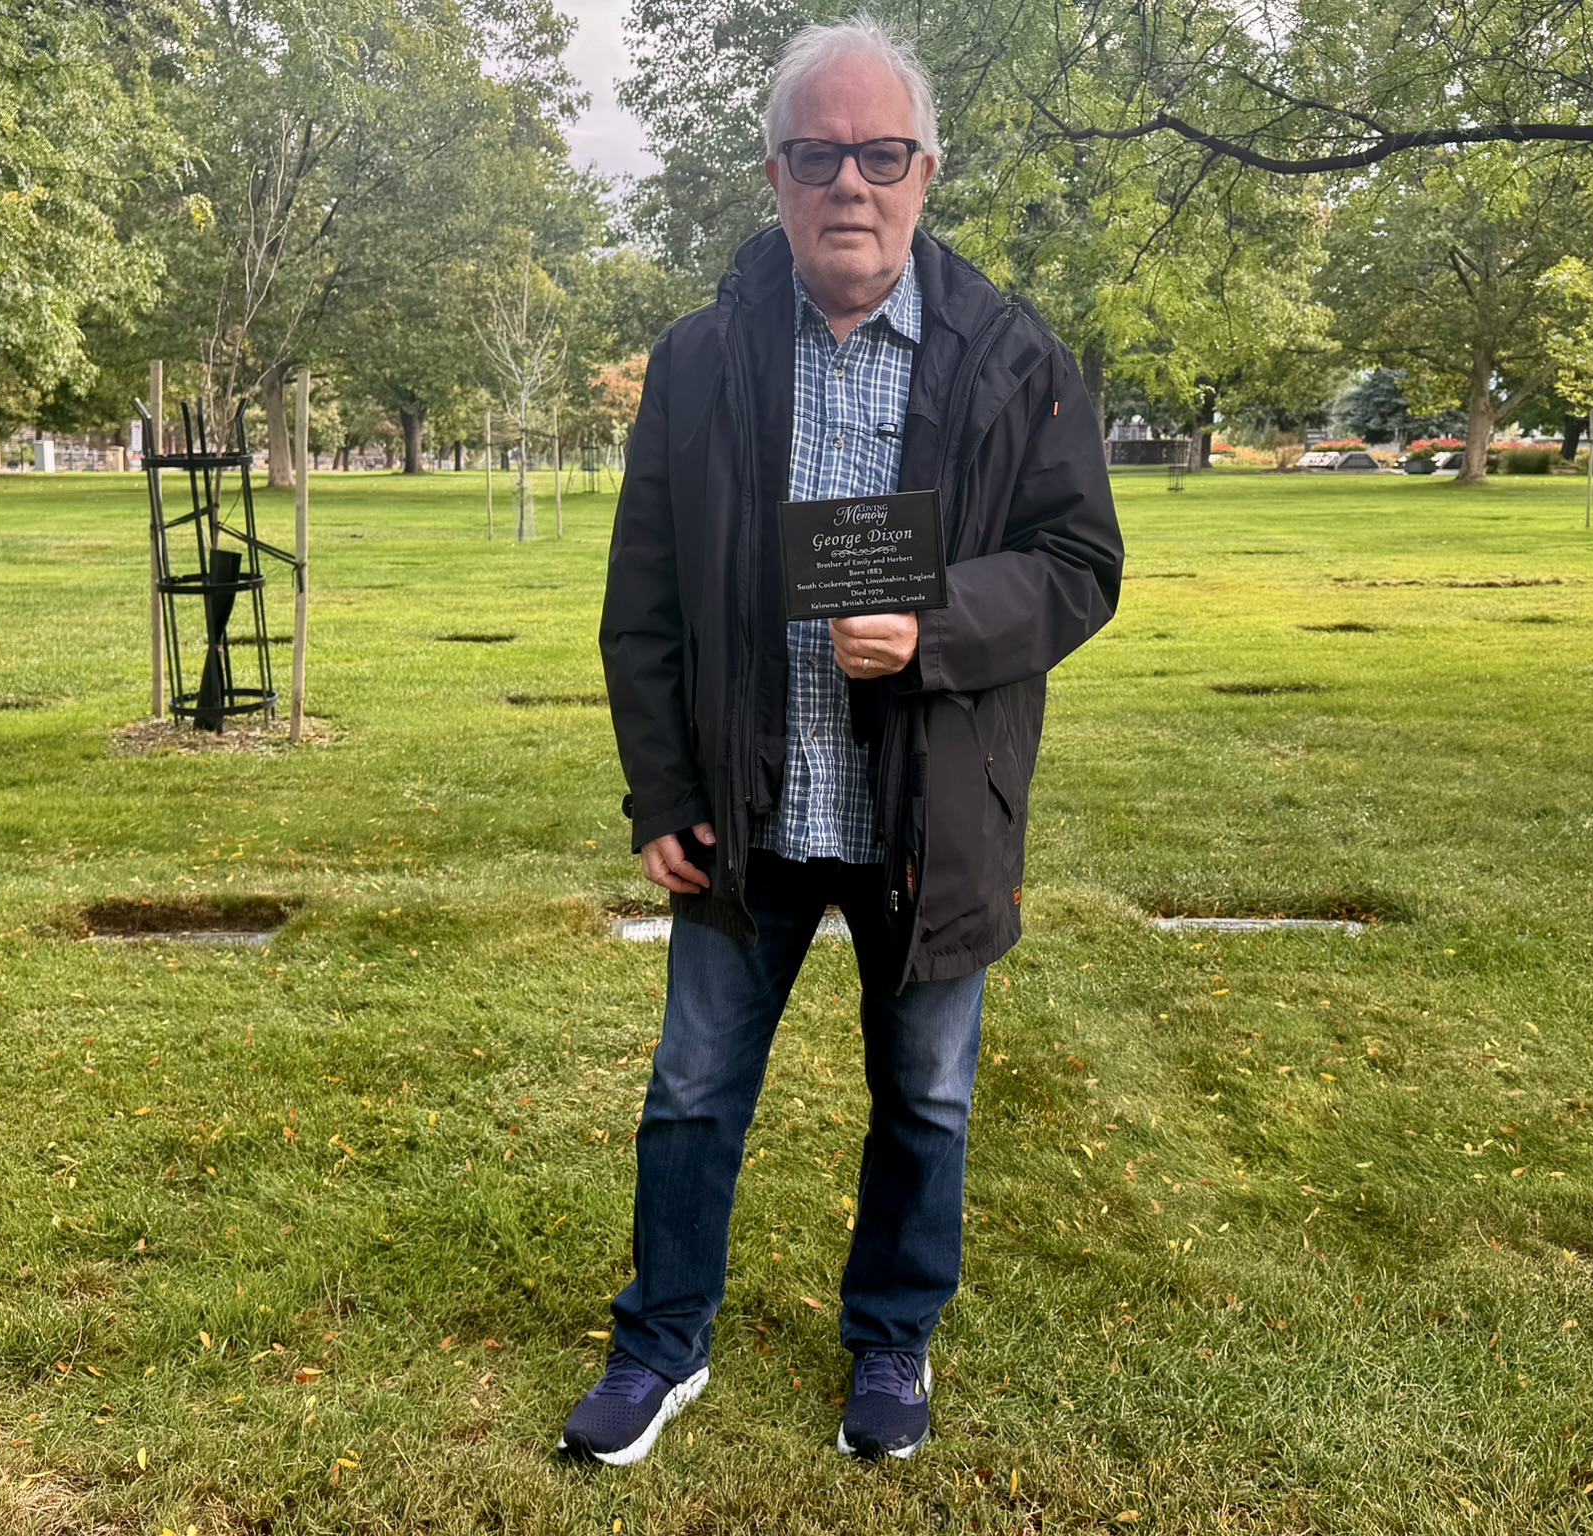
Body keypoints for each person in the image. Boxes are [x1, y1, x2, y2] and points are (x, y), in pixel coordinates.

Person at [565, 13, 1124, 1465]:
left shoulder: (1012, 358)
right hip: (743, 812)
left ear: (927, 171)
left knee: (923, 1100)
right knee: (690, 1094)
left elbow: (1078, 565)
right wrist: (661, 792)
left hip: (927, 811)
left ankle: (889, 1344)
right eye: (818, 156)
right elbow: (645, 608)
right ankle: (660, 1341)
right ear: (773, 177)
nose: (849, 185)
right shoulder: (698, 362)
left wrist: (933, 622)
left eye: (879, 154)